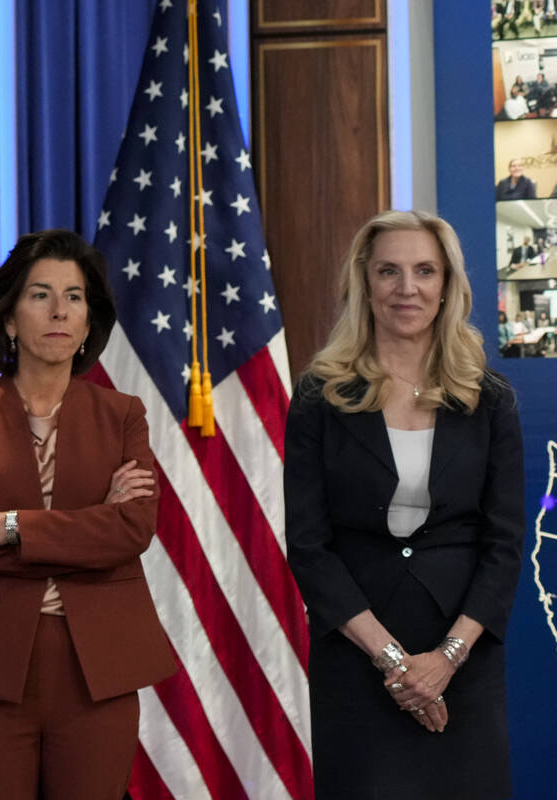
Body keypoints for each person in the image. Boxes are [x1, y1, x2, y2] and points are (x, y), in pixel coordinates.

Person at [0, 230, 176, 800]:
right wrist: (92, 525)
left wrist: (10, 527)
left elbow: (132, 530)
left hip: (97, 666)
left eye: (75, 297)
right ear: (9, 319)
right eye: (40, 295)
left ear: (87, 324)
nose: (59, 310)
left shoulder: (123, 414)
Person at [284, 210, 523, 799]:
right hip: (357, 652)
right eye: (389, 271)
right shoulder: (321, 395)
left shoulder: (488, 399)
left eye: (424, 271)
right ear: (365, 284)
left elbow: (504, 544)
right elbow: (310, 547)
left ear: (447, 286)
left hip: (462, 655)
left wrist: (445, 659)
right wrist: (394, 661)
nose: (406, 288)